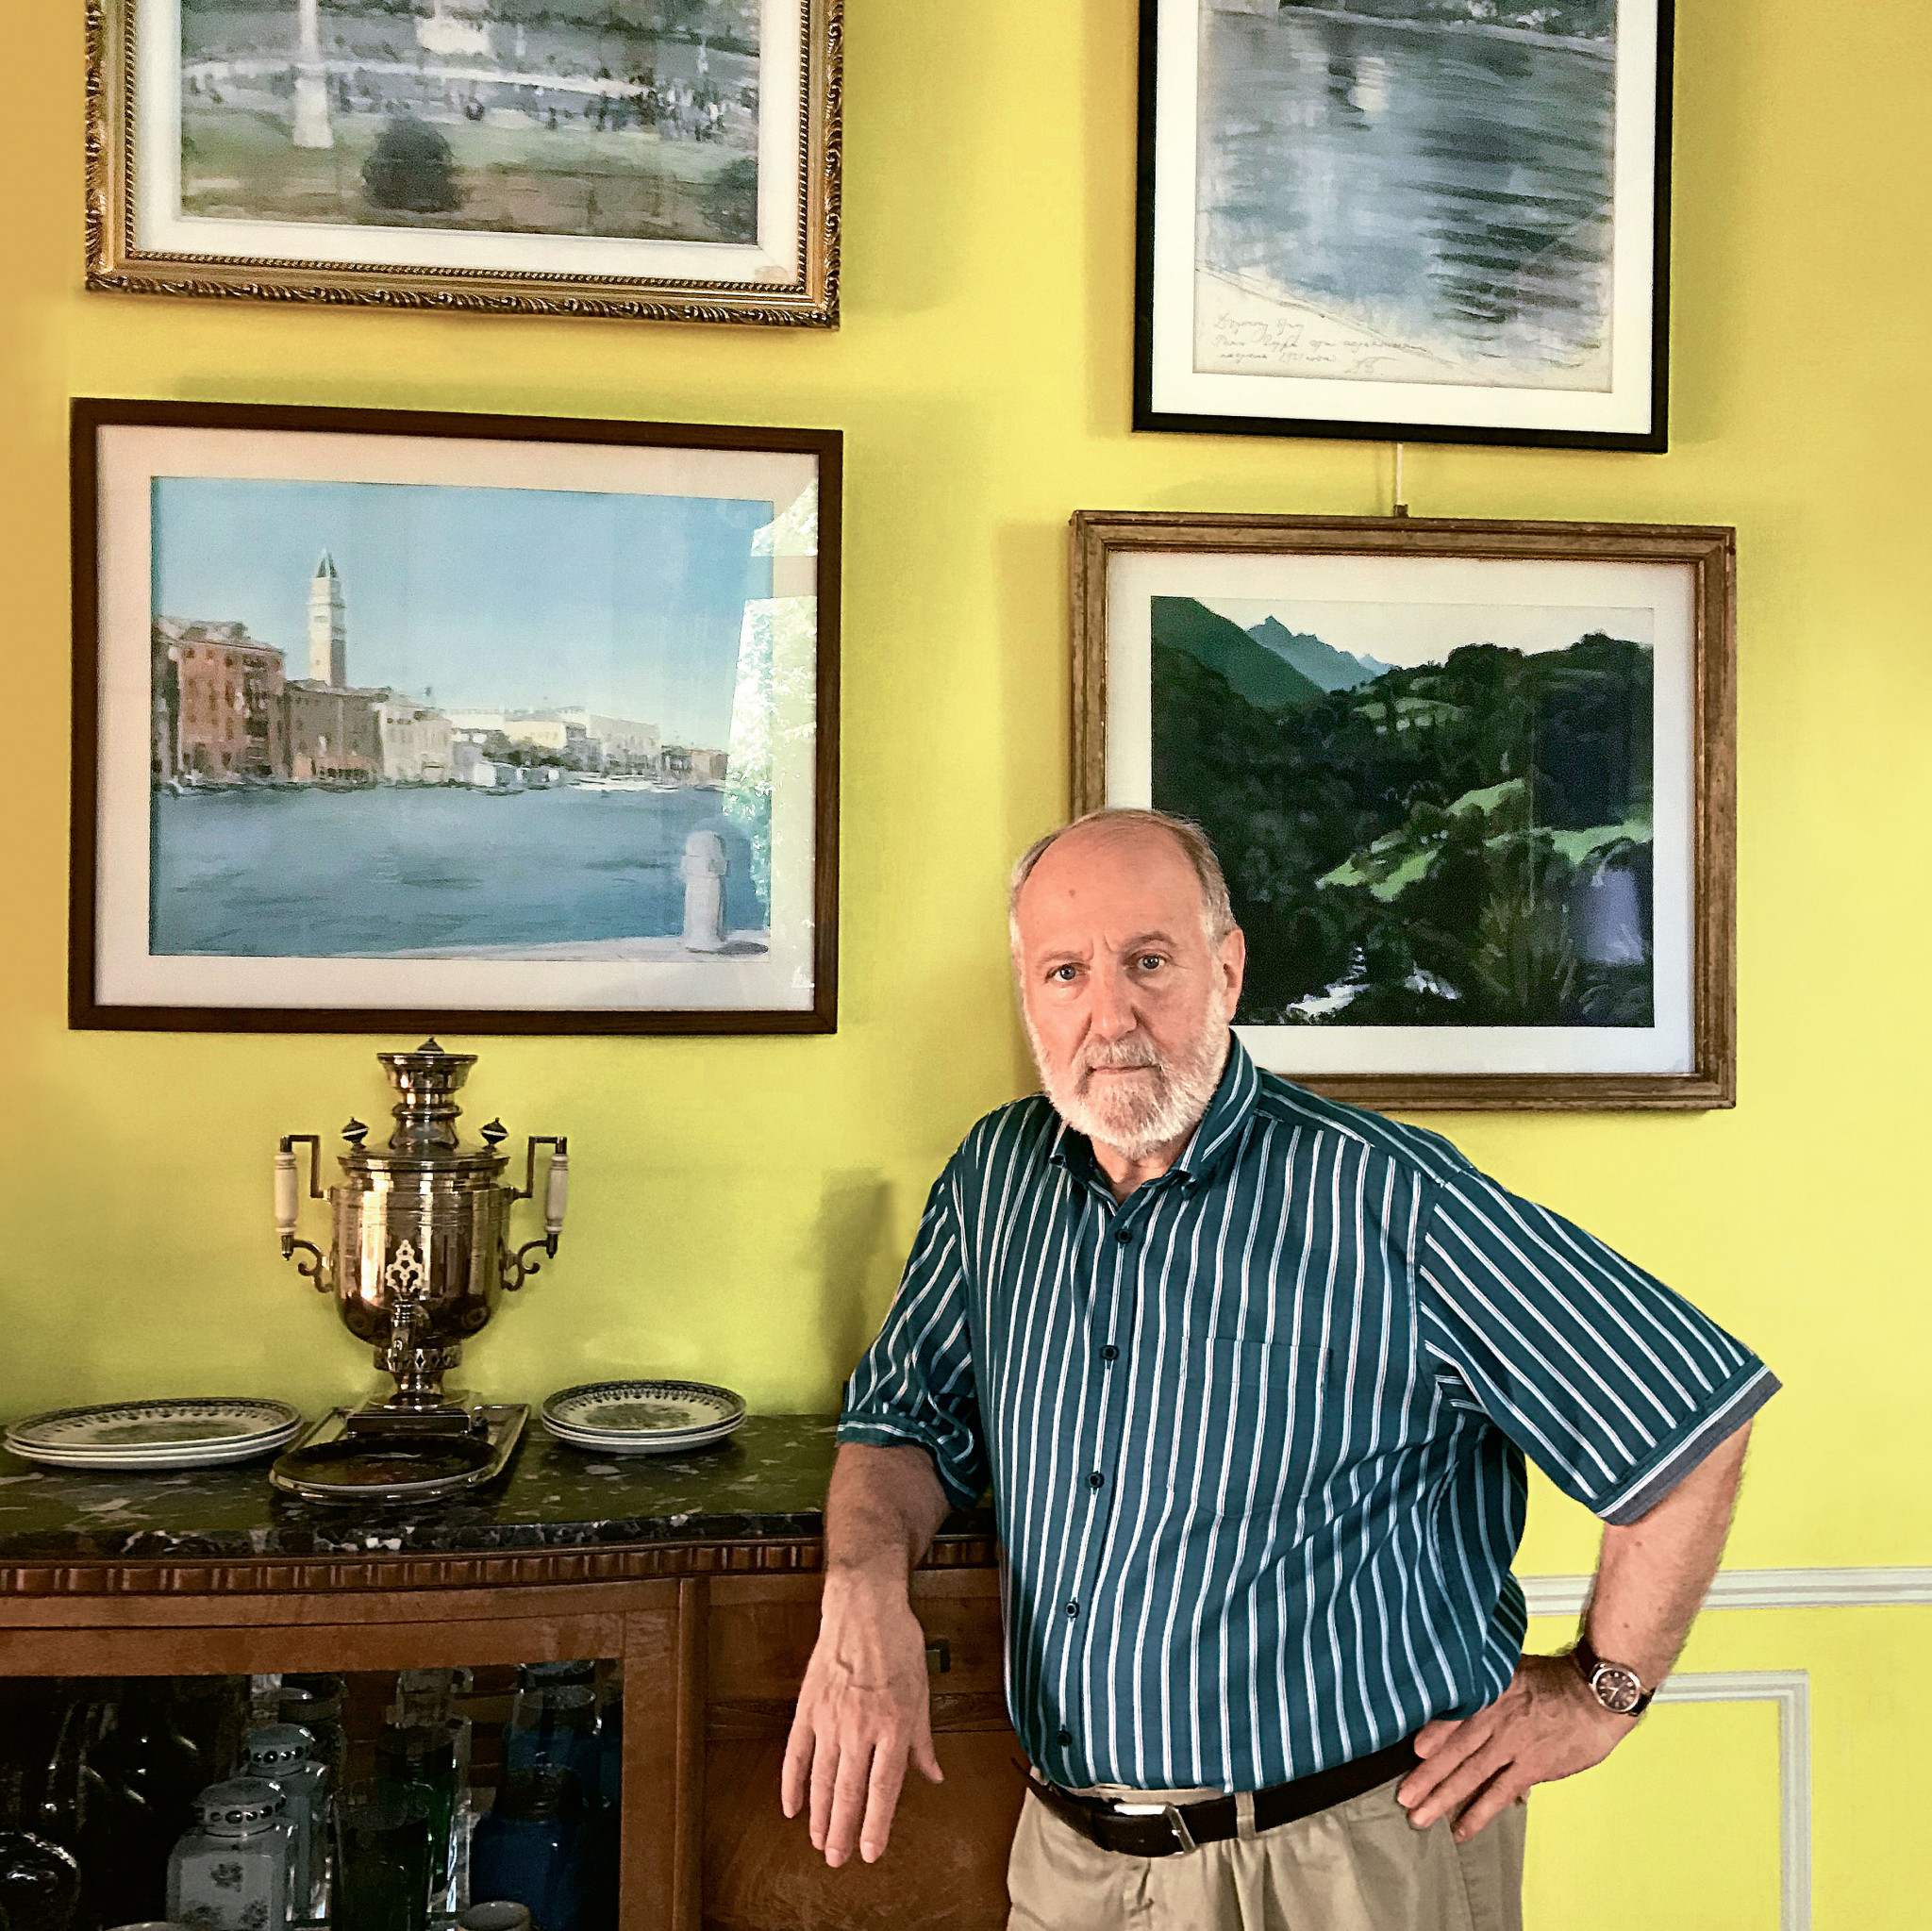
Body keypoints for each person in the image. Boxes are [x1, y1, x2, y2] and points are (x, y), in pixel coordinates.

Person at [782, 808, 1776, 1931]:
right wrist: (860, 1588)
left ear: (1226, 968)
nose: (1108, 1015)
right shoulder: (995, 1179)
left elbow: (1688, 1415)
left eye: (1147, 962)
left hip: (1341, 1865)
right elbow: (902, 1421)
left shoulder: (1387, 1197)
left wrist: (1603, 1690)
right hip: (1069, 1866)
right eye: (1065, 972)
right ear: (1028, 993)